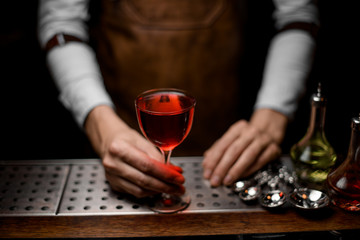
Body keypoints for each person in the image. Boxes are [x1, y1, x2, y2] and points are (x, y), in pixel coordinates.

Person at [38, 0, 319, 198]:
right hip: (119, 130)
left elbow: (299, 14)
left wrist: (272, 117)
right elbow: (62, 23)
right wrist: (102, 127)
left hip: (226, 151)